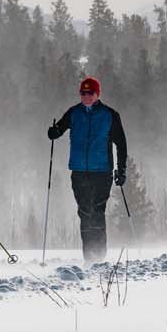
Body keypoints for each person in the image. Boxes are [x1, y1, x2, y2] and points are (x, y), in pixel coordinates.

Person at [46, 76, 128, 263]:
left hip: (102, 171)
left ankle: (99, 255)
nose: (86, 96)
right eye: (83, 93)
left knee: (97, 211)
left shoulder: (110, 115)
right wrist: (53, 132)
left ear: (97, 94)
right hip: (79, 171)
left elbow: (121, 144)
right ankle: (88, 256)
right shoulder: (74, 113)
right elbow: (59, 128)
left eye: (90, 93)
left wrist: (121, 170)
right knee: (84, 212)